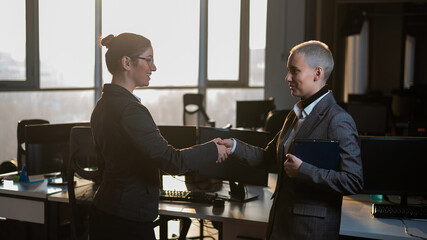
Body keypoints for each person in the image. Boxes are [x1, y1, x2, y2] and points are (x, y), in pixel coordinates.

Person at [89, 33, 230, 240]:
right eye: (149, 60)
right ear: (127, 62)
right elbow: (171, 161)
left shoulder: (103, 105)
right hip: (127, 221)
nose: (153, 67)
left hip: (106, 211)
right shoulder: (130, 110)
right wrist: (212, 149)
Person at [218, 40, 363, 240]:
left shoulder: (338, 120)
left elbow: (354, 181)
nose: (287, 78)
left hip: (310, 232)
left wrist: (303, 170)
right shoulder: (294, 115)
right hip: (281, 225)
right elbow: (268, 157)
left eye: (294, 71)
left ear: (317, 73)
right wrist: (234, 146)